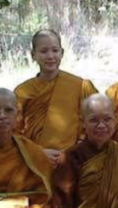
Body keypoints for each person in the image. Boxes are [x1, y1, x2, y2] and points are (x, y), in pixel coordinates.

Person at [14, 29, 98, 170]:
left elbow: (96, 123)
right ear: (33, 55)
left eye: (55, 50)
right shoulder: (23, 91)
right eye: (44, 51)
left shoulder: (80, 86)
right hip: (32, 163)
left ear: (62, 53)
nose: (50, 56)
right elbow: (14, 133)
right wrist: (37, 153)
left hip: (74, 161)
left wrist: (74, 152)